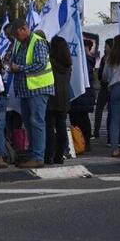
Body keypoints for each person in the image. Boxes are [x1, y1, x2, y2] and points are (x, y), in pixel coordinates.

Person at [9, 22, 55, 168]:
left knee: (37, 122)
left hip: (38, 89)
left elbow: (41, 64)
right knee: (29, 123)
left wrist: (19, 68)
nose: (16, 37)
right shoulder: (19, 43)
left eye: (17, 34)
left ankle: (38, 157)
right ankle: (32, 153)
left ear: (24, 28)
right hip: (25, 90)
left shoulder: (38, 42)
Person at [45, 35, 73, 165]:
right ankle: (59, 155)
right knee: (61, 126)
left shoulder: (49, 61)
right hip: (64, 96)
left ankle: (48, 155)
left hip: (51, 95)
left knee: (49, 127)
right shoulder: (68, 63)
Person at [68, 39, 96, 150]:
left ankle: (85, 142)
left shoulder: (86, 61)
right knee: (75, 120)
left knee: (82, 119)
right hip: (77, 94)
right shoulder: (82, 60)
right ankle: (78, 141)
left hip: (83, 95)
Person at [93, 38, 112, 139]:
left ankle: (110, 134)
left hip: (110, 87)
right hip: (104, 86)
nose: (104, 48)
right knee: (99, 109)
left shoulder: (113, 58)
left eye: (106, 46)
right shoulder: (104, 58)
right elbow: (100, 74)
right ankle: (96, 131)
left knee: (111, 111)